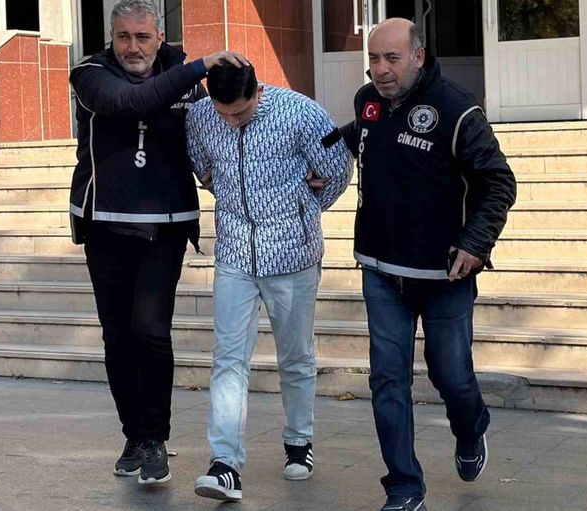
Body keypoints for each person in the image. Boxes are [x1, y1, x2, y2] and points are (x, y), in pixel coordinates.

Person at [338, 18, 517, 511]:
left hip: (445, 275)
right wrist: (319, 157)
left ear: (418, 57)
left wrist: (475, 243)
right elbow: (364, 134)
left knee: (451, 376)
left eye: (391, 59)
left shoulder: (458, 110)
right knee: (387, 380)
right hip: (380, 268)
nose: (380, 70)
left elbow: (498, 182)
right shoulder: (367, 101)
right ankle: (403, 487)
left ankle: (470, 428)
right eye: (374, 59)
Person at [68, 0, 246, 486]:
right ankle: (133, 433)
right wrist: (198, 67)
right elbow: (130, 103)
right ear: (112, 38)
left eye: (143, 37)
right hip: (105, 223)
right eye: (123, 37)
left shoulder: (184, 74)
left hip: (165, 225)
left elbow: (224, 120)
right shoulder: (90, 73)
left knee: (150, 331)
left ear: (159, 37)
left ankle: (153, 439)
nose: (133, 47)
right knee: (117, 337)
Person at [184, 62, 352, 502]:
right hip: (235, 254)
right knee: (228, 359)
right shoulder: (201, 116)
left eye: (240, 113)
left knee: (295, 356)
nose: (231, 122)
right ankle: (224, 464)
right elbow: (203, 168)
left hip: (293, 254)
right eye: (224, 114)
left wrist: (304, 208)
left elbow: (337, 170)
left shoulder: (301, 112)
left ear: (258, 91)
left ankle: (299, 442)